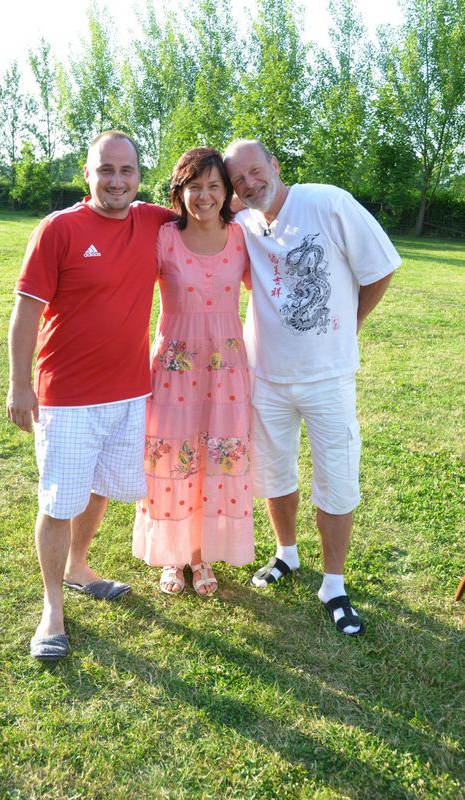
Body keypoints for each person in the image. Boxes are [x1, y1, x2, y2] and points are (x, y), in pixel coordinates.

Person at [6, 131, 174, 659]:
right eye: (106, 169)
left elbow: (211, 207)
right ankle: (51, 609)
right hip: (67, 396)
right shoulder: (59, 228)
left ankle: (78, 566)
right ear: (87, 173)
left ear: (140, 176)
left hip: (129, 393)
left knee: (99, 488)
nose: (116, 181)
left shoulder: (153, 222)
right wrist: (19, 384)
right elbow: (26, 310)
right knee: (60, 502)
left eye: (126, 170)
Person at [223, 138, 401, 635]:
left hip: (328, 377)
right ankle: (287, 554)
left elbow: (381, 267)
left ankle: (334, 584)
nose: (250, 183)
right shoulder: (243, 222)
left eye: (256, 171)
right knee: (273, 472)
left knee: (337, 479)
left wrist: (353, 322)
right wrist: (233, 196)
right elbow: (206, 205)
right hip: (266, 374)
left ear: (275, 165)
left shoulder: (327, 202)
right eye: (238, 179)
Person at [132, 147, 253, 595]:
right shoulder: (164, 237)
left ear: (227, 192)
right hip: (174, 370)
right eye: (194, 186)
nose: (204, 196)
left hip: (226, 370)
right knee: (172, 457)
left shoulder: (241, 237)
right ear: (179, 192)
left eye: (214, 186)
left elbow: (270, 286)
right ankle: (173, 554)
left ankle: (201, 556)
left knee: (215, 456)